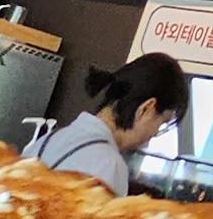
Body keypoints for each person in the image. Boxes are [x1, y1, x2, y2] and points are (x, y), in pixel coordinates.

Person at [24, 52, 190, 189]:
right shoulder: (109, 165)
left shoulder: (48, 140)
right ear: (146, 108)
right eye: (162, 123)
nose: (154, 134)